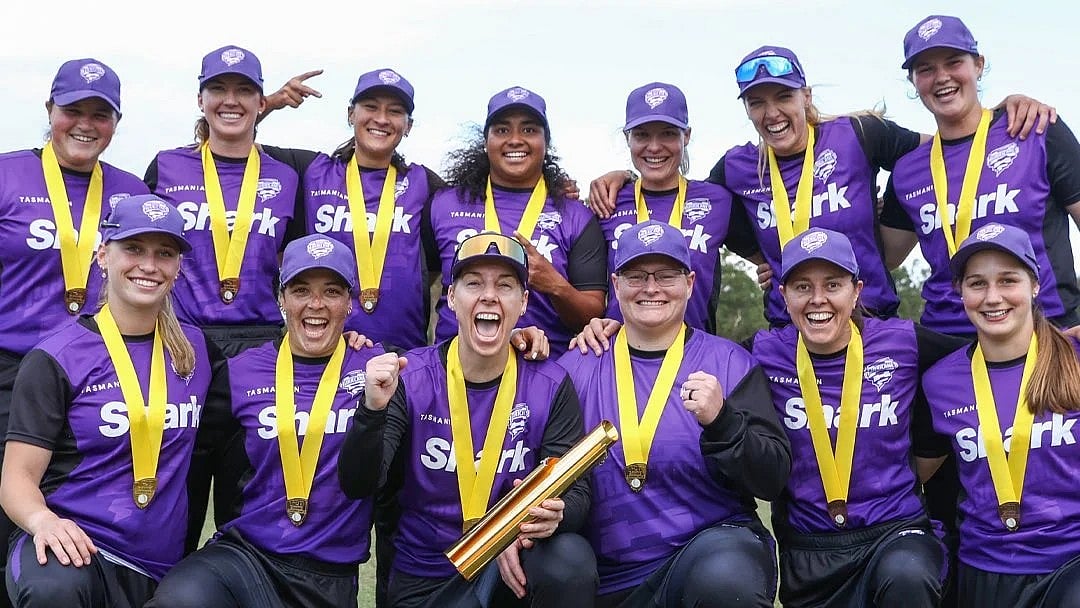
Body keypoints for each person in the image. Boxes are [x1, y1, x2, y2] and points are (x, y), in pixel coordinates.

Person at [588, 46, 1054, 328]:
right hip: (791, 328)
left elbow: (953, 147)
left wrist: (1004, 108)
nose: (771, 112)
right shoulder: (737, 168)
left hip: (872, 323)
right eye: (757, 102)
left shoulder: (859, 135)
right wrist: (624, 178)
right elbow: (683, 196)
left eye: (783, 97)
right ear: (746, 109)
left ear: (805, 96)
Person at [339, 232, 596, 608]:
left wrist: (549, 518)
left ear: (523, 302)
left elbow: (576, 492)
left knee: (568, 560)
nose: (489, 295)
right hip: (425, 578)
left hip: (508, 571)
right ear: (451, 299)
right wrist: (371, 412)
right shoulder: (411, 377)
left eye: (505, 285)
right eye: (474, 283)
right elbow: (359, 484)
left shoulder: (550, 383)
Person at [562, 220, 791, 607]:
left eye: (666, 275)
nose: (651, 288)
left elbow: (772, 479)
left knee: (726, 579)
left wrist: (723, 422)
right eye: (636, 275)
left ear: (689, 282)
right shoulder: (576, 366)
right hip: (611, 572)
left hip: (708, 550)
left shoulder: (730, 363)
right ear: (615, 286)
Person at [146, 234, 383, 608]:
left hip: (329, 575)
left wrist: (514, 339)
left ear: (350, 303)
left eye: (332, 291)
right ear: (281, 300)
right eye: (301, 290)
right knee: (179, 600)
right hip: (247, 559)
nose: (316, 304)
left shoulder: (379, 368)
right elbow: (196, 468)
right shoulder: (240, 372)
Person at [0, 195, 210, 607]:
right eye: (133, 248)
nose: (149, 266)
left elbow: (284, 366)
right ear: (103, 255)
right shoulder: (56, 356)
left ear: (178, 267)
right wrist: (43, 521)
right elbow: (16, 479)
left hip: (157, 565)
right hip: (76, 551)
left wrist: (348, 342)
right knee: (54, 591)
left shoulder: (196, 350)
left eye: (164, 253)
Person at [749, 227, 970, 607]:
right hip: (810, 550)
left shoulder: (903, 341)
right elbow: (688, 355)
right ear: (783, 295)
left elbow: (988, 354)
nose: (818, 299)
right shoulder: (763, 352)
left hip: (897, 534)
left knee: (908, 576)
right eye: (802, 287)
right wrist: (616, 331)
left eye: (833, 284)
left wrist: (1062, 343)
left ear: (857, 290)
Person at [0, 58, 149, 607]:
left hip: (101, 376)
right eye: (73, 111)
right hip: (11, 371)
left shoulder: (131, 190)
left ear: (116, 121)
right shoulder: (7, 174)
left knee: (77, 517)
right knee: (12, 510)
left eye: (101, 114)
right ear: (50, 111)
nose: (85, 124)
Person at [882, 15, 1080, 337]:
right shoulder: (908, 170)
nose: (942, 77)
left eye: (953, 62)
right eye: (926, 69)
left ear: (978, 65)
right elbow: (884, 256)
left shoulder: (1036, 130)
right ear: (914, 82)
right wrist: (770, 257)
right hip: (950, 344)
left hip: (1045, 333)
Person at [919, 223, 1080, 607]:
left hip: (1070, 564)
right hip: (984, 569)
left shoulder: (1074, 359)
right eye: (977, 284)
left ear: (1034, 285)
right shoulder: (941, 381)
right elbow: (911, 474)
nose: (993, 298)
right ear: (960, 292)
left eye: (1008, 280)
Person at [144, 45, 304, 357]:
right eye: (217, 89)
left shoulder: (287, 175)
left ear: (261, 102)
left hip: (262, 340)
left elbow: (294, 259)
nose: (230, 100)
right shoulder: (166, 167)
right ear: (200, 100)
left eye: (244, 91)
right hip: (179, 335)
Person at [430, 86, 607, 356]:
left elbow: (593, 317)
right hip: (453, 372)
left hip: (543, 372)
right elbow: (422, 278)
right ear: (486, 141)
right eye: (502, 130)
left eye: (528, 130)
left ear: (545, 142)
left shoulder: (576, 216)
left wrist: (554, 284)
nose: (515, 140)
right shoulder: (444, 204)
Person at [596, 83, 738, 334]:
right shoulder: (607, 202)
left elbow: (764, 247)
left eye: (668, 134)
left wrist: (765, 266)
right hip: (619, 357)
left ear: (687, 136)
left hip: (694, 355)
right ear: (627, 138)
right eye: (641, 135)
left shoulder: (719, 200)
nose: (654, 147)